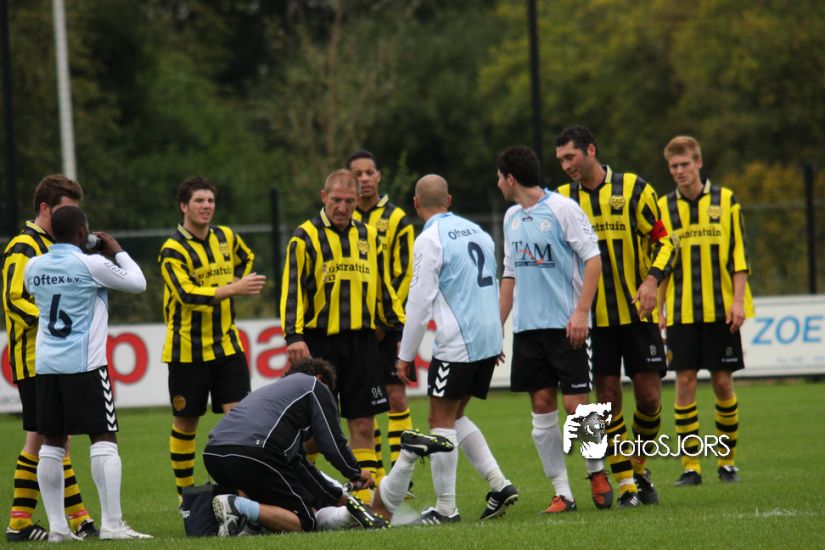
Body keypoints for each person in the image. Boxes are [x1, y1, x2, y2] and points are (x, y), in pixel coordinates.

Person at [554, 125, 675, 507]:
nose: (566, 166)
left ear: (591, 150)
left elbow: (666, 242)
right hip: (593, 320)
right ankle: (625, 485)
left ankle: (638, 466)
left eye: (571, 157)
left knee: (650, 399)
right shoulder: (561, 200)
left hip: (637, 314)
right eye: (561, 160)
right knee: (606, 400)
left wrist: (652, 281)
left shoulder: (634, 189)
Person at [206, 358, 453, 535]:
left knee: (283, 499)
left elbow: (302, 469)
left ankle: (241, 517)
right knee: (305, 520)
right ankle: (238, 506)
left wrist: (339, 498)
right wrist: (354, 472)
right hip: (253, 454)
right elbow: (332, 442)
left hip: (213, 455)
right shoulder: (314, 385)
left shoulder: (270, 395)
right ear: (321, 379)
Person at [23, 206, 151, 541]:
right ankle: (112, 524)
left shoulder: (33, 266)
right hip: (86, 365)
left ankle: (58, 529)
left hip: (47, 366)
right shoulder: (91, 264)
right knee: (103, 438)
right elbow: (138, 283)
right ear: (82, 233)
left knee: (51, 443)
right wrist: (116, 250)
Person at [395, 174, 518, 523]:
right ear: (449, 200)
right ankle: (500, 484)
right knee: (456, 415)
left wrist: (405, 355)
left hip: (458, 342)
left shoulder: (429, 239)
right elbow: (490, 285)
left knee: (439, 419)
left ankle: (446, 509)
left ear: (416, 203)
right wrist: (493, 336)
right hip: (488, 337)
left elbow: (420, 302)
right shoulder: (478, 232)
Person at [280, 169, 405, 502]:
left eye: (349, 201)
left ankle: (365, 505)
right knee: (312, 430)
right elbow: (291, 290)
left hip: (362, 343)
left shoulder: (369, 236)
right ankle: (297, 491)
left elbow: (384, 289)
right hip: (319, 344)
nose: (342, 207)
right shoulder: (304, 236)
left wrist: (399, 330)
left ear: (357, 201)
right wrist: (293, 336)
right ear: (324, 197)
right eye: (336, 200)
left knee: (363, 423)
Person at [496, 146, 605, 513]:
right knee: (542, 408)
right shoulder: (511, 217)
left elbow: (593, 260)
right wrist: (497, 328)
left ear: (511, 178)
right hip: (528, 330)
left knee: (577, 407)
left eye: (499, 177)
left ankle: (596, 472)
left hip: (565, 326)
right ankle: (563, 493)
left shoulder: (563, 209)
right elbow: (509, 275)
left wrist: (581, 313)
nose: (498, 184)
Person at [1, 175, 99, 542]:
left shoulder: (55, 246)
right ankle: (20, 523)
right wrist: (51, 321)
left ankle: (77, 519)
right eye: (64, 210)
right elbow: (13, 299)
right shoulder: (23, 246)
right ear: (45, 209)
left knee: (57, 439)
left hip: (56, 358)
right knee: (42, 439)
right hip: (34, 359)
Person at [159, 176, 266, 498]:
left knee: (240, 420)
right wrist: (234, 288)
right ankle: (185, 496)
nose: (206, 206)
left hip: (227, 346)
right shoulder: (172, 249)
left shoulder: (226, 237)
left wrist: (238, 280)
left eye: (210, 201)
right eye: (199, 201)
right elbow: (186, 294)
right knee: (186, 424)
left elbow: (247, 258)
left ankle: (242, 493)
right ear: (184, 206)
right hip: (186, 351)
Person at [658, 136, 753, 485]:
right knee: (684, 383)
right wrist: (659, 309)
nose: (679, 171)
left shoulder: (725, 201)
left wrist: (738, 301)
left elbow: (738, 257)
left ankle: (727, 462)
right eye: (673, 166)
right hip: (681, 312)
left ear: (698, 163)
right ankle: (691, 467)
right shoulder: (664, 207)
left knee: (723, 382)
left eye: (685, 164)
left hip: (720, 311)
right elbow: (661, 261)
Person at [348, 150, 416, 485]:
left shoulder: (397, 218)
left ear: (378, 176)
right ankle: (375, 474)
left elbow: (406, 273)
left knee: (396, 396)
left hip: (388, 323)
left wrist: (385, 318)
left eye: (369, 172)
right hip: (355, 326)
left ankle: (401, 479)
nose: (364, 179)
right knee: (364, 403)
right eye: (357, 174)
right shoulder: (342, 217)